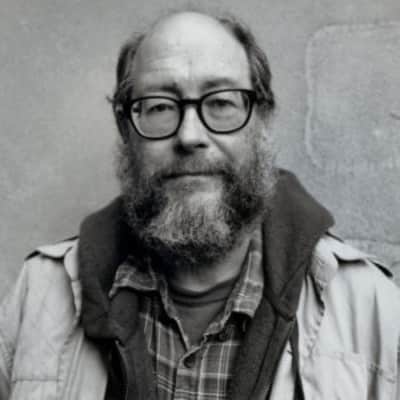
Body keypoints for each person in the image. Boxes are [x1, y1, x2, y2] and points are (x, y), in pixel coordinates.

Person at [0, 10, 399, 400]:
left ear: (262, 121)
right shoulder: (40, 293)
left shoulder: (372, 310)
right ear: (125, 129)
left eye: (221, 103)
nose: (190, 136)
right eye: (160, 106)